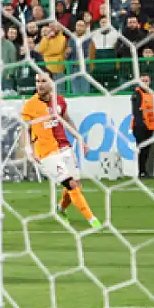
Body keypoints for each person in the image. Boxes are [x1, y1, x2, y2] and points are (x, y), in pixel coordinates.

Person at [21, 72, 101, 228]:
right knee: (70, 183)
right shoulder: (30, 105)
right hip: (46, 152)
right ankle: (93, 220)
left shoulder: (60, 101)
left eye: (44, 81)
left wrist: (80, 140)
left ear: (51, 82)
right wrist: (29, 151)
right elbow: (25, 129)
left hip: (64, 147)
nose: (40, 84)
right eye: (37, 81)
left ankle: (61, 209)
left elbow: (67, 120)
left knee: (76, 185)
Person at [131, 73, 154, 179]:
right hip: (140, 126)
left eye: (147, 81)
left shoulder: (150, 94)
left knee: (146, 149)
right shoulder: (137, 93)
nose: (145, 83)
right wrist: (141, 124)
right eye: (143, 81)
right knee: (142, 149)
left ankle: (144, 170)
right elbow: (136, 111)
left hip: (149, 126)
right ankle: (141, 171)